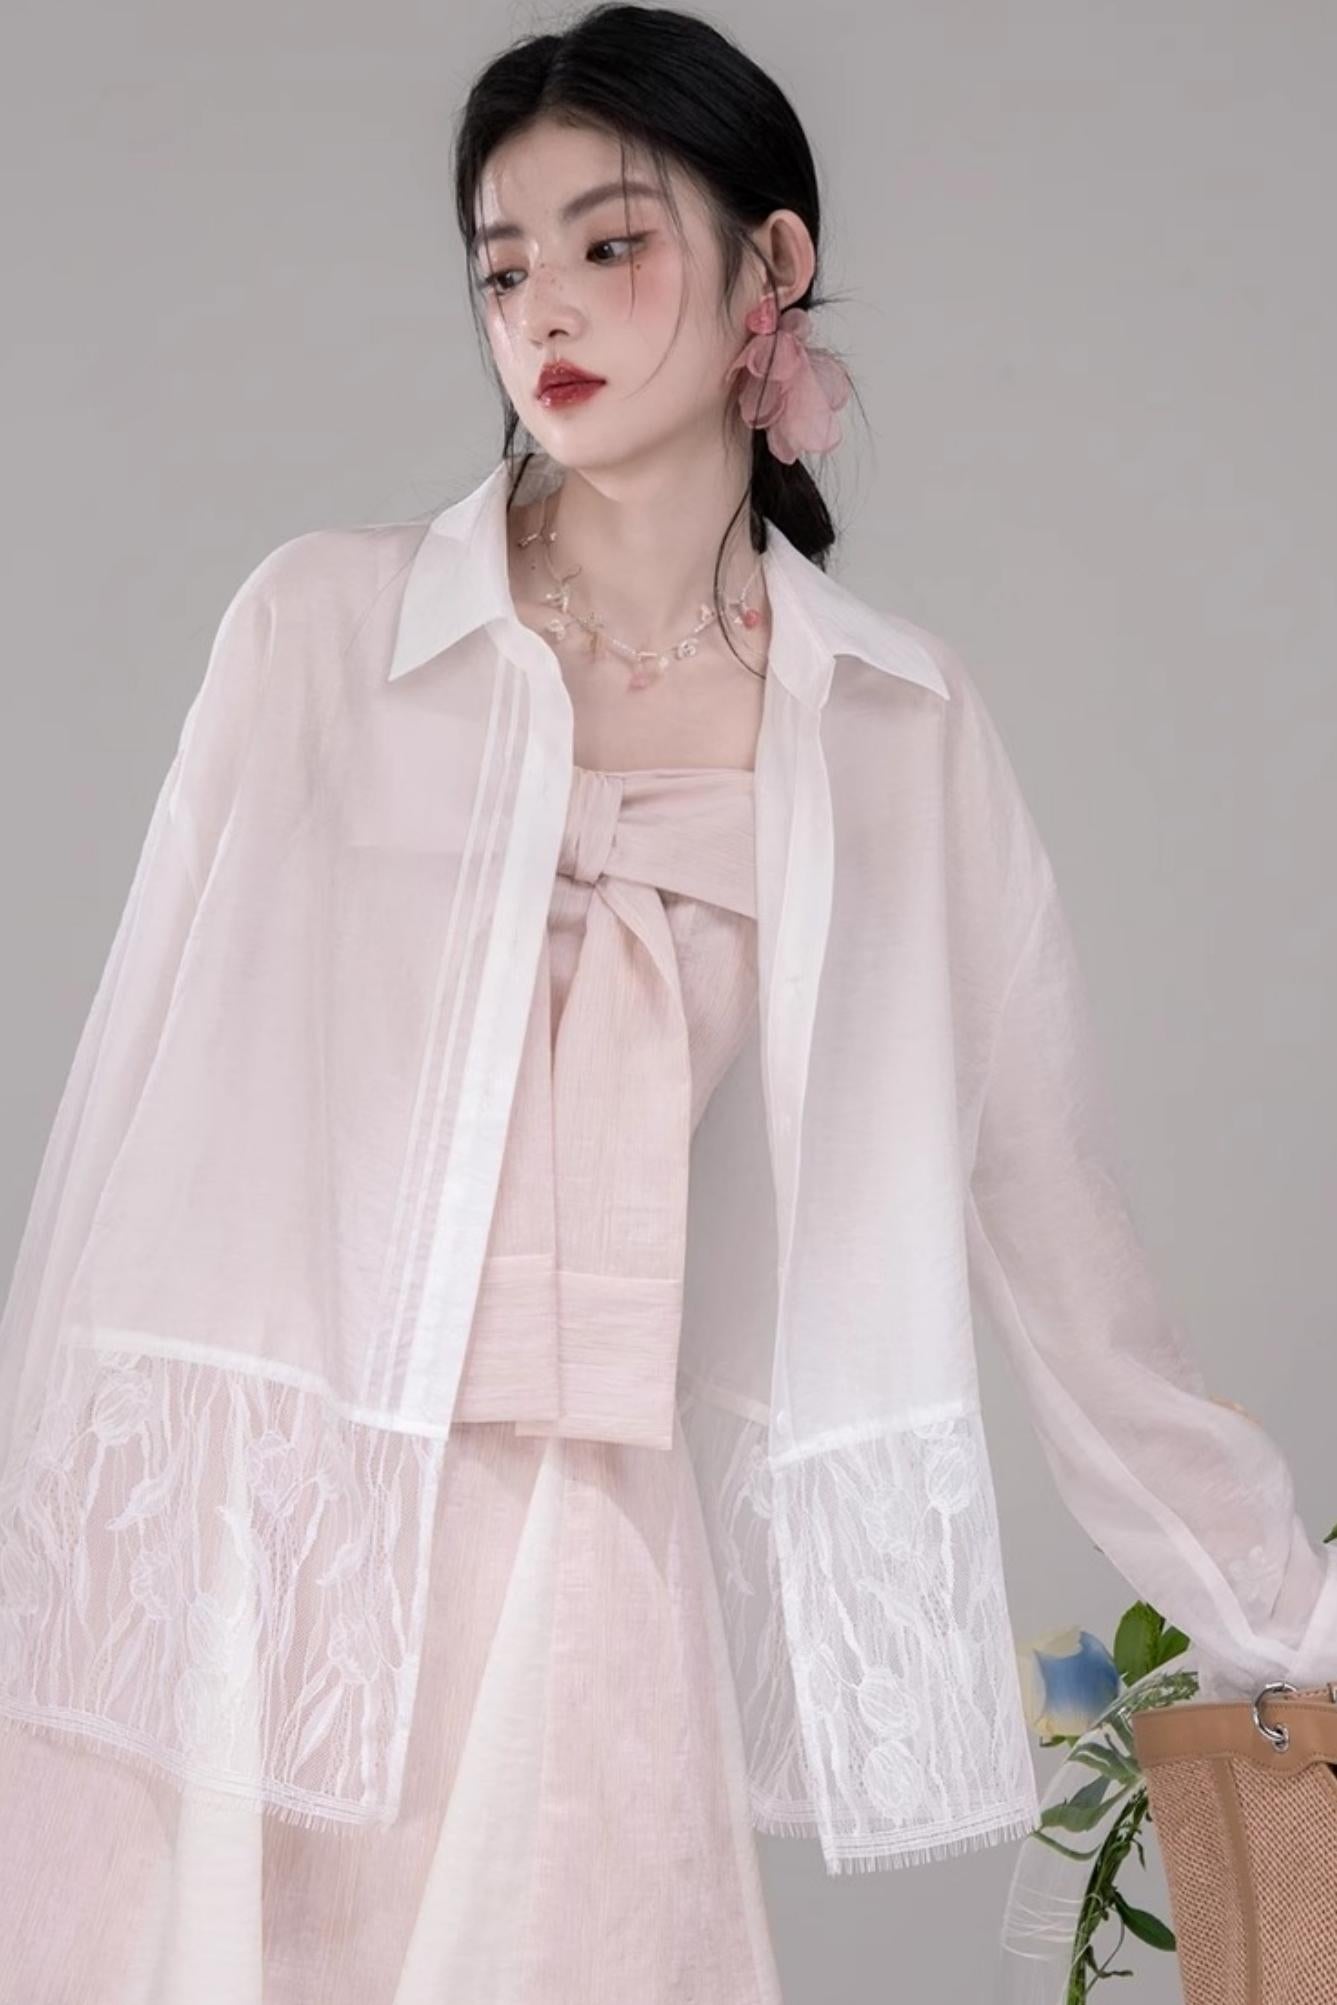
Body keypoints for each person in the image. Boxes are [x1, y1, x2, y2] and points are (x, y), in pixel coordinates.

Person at [1, 6, 1333, 2001]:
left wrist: (1281, 1622)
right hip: (272, 1567)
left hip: (582, 1556)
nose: (542, 308)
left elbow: (1055, 1227)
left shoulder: (887, 726)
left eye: (608, 244)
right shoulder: (322, 633)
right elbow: (135, 1134)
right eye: (501, 268)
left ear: (767, 267)